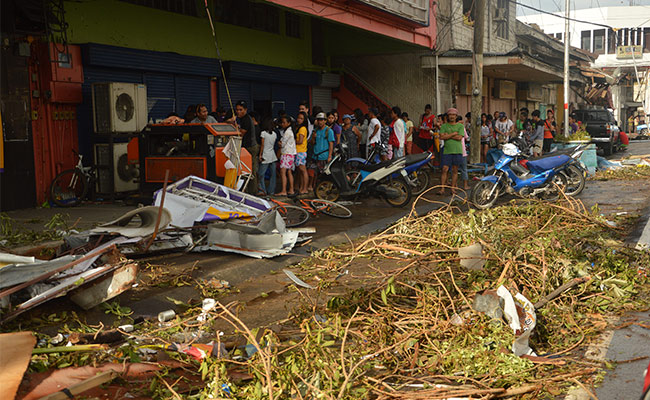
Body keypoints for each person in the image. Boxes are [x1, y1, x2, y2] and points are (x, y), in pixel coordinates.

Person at [439, 108, 465, 195]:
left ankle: (453, 188)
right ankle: (442, 188)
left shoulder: (460, 126)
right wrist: (454, 134)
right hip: (447, 151)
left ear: (456, 116)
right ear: (448, 116)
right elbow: (441, 137)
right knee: (444, 169)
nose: (452, 116)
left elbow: (459, 138)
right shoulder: (444, 126)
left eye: (453, 115)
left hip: (457, 151)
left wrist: (448, 136)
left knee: (455, 170)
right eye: (450, 115)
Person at [235, 100, 259, 194]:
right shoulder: (243, 119)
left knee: (250, 171)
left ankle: (252, 192)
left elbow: (241, 134)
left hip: (250, 148)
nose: (238, 112)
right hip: (246, 148)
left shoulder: (246, 119)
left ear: (245, 110)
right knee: (246, 171)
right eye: (237, 110)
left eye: (241, 110)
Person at [276, 116, 296, 196]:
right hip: (290, 154)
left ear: (289, 123)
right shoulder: (290, 131)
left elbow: (282, 144)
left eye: (284, 122)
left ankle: (284, 190)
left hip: (286, 154)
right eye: (282, 122)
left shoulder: (287, 132)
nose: (282, 124)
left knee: (283, 172)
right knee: (289, 172)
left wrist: (279, 143)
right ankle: (291, 189)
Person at [258, 117, 277, 196]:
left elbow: (262, 145)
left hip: (265, 155)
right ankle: (271, 191)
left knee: (260, 174)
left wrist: (260, 154)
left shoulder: (263, 133)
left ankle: (262, 190)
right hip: (272, 155)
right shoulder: (274, 134)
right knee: (273, 174)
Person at [294, 111, 310, 194]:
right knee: (300, 171)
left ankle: (305, 188)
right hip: (299, 151)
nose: (299, 120)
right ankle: (302, 187)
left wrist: (292, 141)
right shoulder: (299, 128)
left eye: (301, 118)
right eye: (298, 118)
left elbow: (300, 141)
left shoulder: (302, 129)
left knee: (303, 170)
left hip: (301, 151)